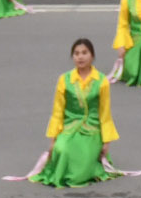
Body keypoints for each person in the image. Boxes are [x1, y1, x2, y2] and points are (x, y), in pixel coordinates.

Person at [34, 35, 120, 186]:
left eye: (84, 52)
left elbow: (105, 113)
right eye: (76, 53)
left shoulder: (101, 81)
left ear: (92, 56)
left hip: (91, 130)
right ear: (72, 57)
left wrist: (107, 142)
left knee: (81, 165)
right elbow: (57, 111)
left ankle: (88, 168)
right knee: (62, 150)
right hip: (69, 127)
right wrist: (53, 139)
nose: (80, 57)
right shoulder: (64, 79)